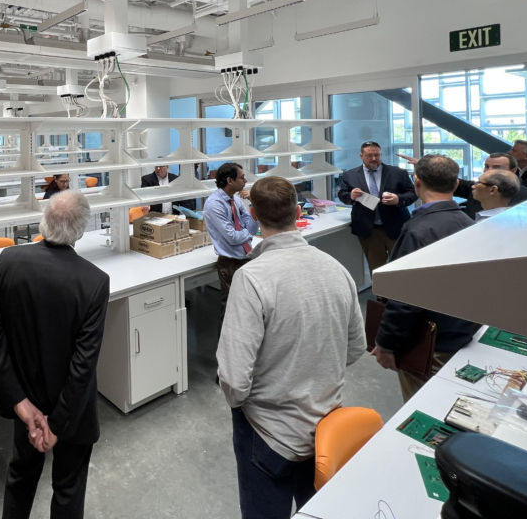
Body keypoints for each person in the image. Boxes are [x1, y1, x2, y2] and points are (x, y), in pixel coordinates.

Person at [217, 177, 365, 519]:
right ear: (298, 212)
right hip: (326, 426)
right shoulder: (336, 269)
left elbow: (235, 380)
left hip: (268, 432)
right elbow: (356, 347)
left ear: (253, 215)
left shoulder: (252, 278)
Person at [0, 190, 109, 519]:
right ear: (81, 230)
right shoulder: (94, 281)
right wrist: (58, 423)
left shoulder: (9, 261)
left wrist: (20, 403)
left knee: (20, 477)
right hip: (72, 412)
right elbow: (83, 365)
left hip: (27, 403)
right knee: (68, 488)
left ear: (43, 221)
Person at [373, 154, 478, 401]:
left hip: (429, 344)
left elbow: (404, 298)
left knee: (425, 409)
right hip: (461, 332)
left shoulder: (417, 231)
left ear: (416, 182)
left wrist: (386, 343)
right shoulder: (467, 223)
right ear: (454, 185)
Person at [337, 141, 417, 273]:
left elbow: (413, 193)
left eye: (377, 155)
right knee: (377, 270)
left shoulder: (398, 173)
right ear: (361, 156)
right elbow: (342, 194)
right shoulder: (350, 175)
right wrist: (351, 195)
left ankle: (401, 293)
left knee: (403, 268)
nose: (374, 159)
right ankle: (381, 294)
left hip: (396, 227)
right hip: (369, 230)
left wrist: (399, 199)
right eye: (369, 155)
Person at [403, 151, 527, 217]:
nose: (489, 171)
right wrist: (427, 166)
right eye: (486, 166)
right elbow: (445, 179)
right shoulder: (477, 187)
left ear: (513, 171)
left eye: (496, 167)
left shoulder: (526, 198)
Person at [203, 162, 259, 319]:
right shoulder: (215, 204)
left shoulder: (235, 200)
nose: (245, 181)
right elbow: (233, 238)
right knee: (230, 311)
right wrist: (247, 232)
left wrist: (253, 203)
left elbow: (251, 224)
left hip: (246, 257)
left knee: (247, 307)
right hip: (230, 262)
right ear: (230, 181)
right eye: (242, 178)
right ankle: (226, 343)